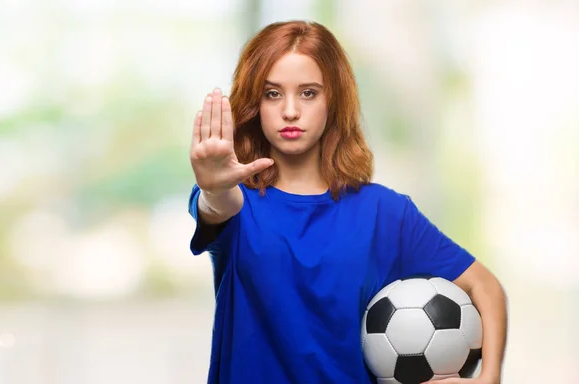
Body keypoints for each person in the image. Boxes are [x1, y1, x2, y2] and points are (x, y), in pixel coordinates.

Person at [188, 20, 507, 384]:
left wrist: (489, 377)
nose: (290, 111)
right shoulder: (239, 203)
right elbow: (216, 207)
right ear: (254, 104)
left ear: (333, 101)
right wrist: (212, 187)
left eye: (308, 93)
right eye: (272, 93)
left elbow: (485, 286)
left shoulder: (385, 213)